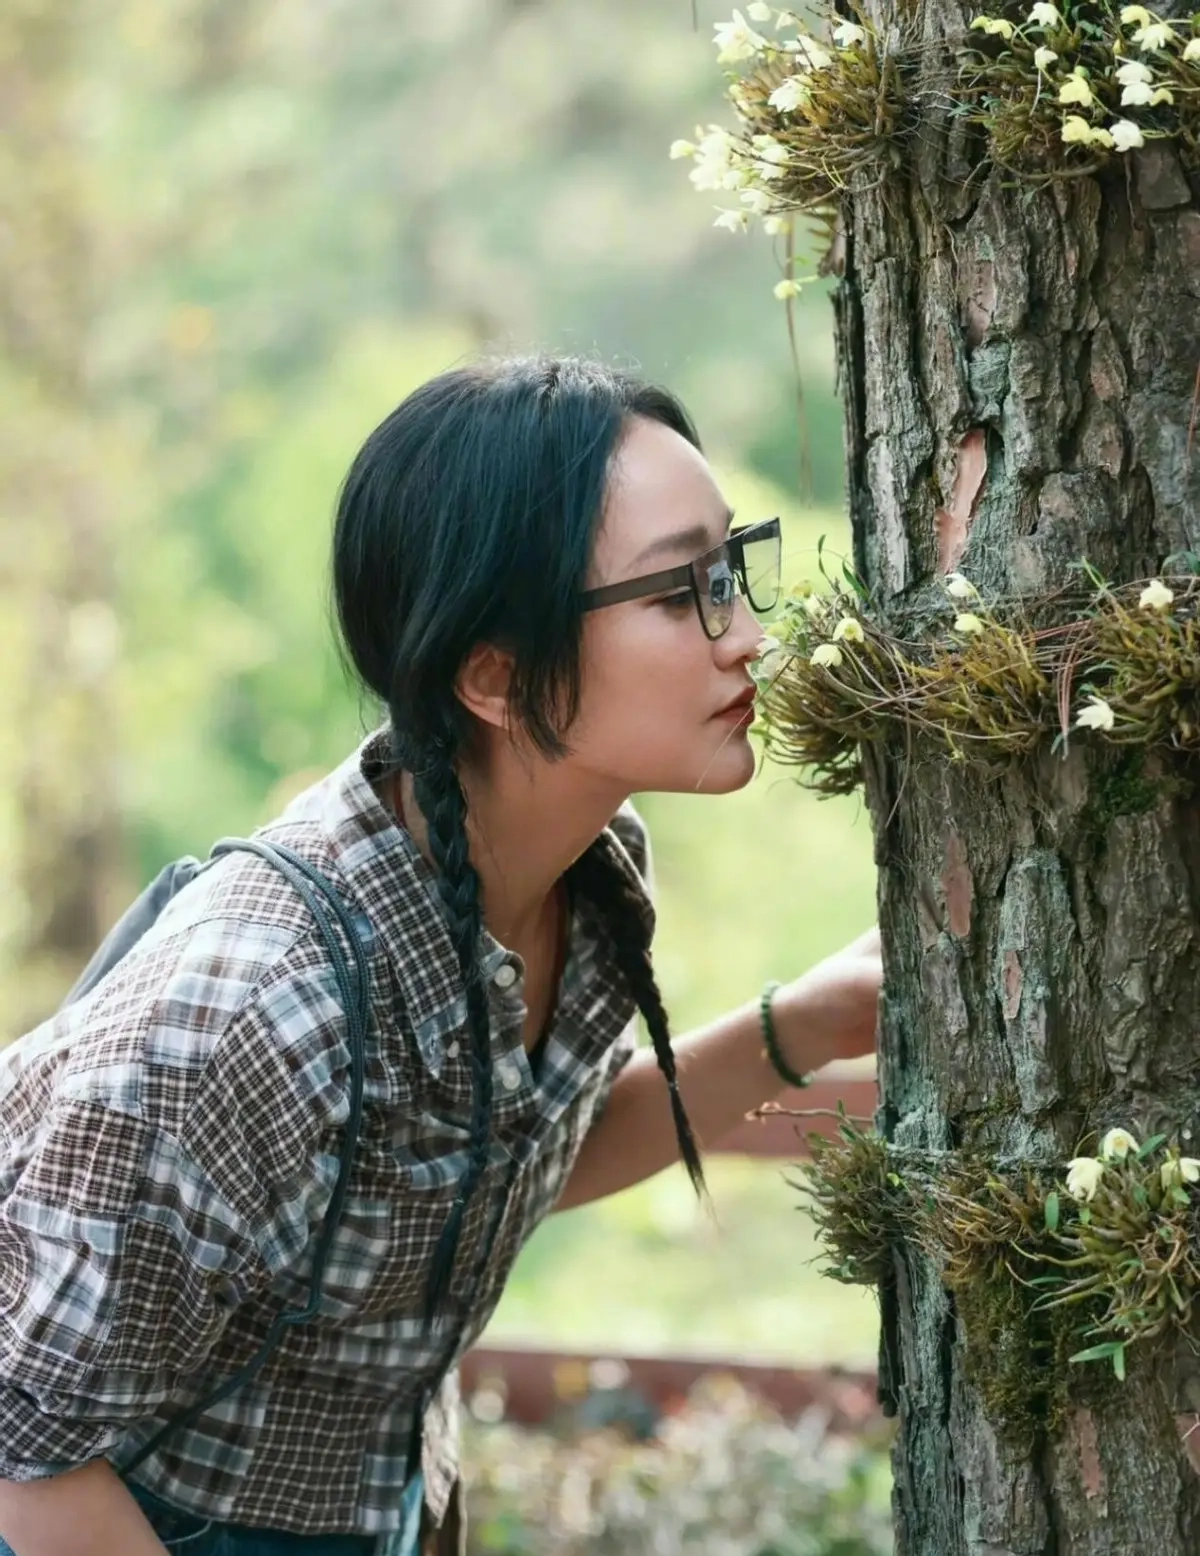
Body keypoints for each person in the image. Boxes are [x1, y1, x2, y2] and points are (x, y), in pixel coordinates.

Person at [0, 355, 882, 1556]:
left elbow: (504, 1161)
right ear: (499, 678)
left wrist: (808, 1023)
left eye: (734, 568)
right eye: (684, 593)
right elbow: (32, 1453)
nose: (749, 637)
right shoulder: (258, 1004)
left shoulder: (591, 872)